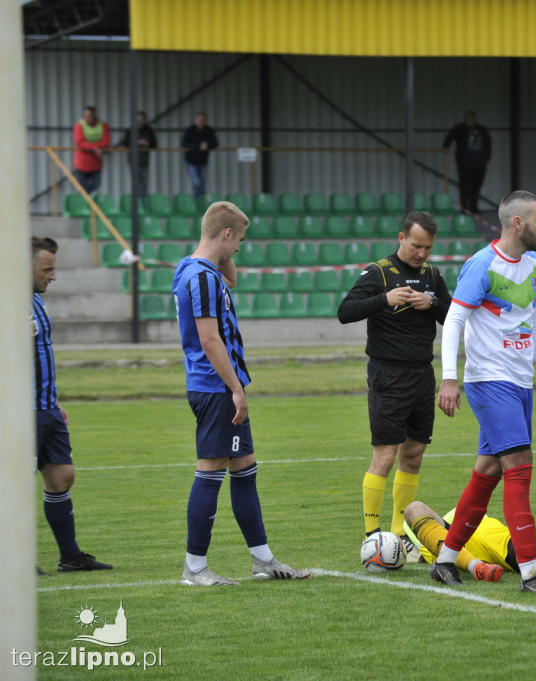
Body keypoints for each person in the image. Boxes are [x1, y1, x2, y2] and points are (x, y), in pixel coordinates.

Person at [434, 190, 536, 595]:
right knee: (520, 466)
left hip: (518, 383)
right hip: (488, 381)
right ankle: (531, 572)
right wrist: (448, 377)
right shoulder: (482, 264)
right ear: (517, 223)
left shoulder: (533, 265)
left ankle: (444, 563)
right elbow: (455, 318)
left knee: (489, 472)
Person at [172, 201, 309, 586]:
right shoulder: (199, 277)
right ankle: (194, 568)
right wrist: (236, 389)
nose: (238, 250)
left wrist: (219, 249)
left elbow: (231, 279)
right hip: (216, 387)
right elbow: (208, 338)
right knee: (210, 472)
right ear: (226, 233)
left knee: (245, 471)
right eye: (238, 241)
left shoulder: (196, 267)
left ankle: (262, 559)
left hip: (217, 386)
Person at [337, 211, 452, 562]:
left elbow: (454, 318)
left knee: (413, 455)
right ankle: (372, 536)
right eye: (416, 245)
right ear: (401, 237)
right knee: (385, 457)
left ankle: (400, 535)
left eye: (428, 248)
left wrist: (432, 303)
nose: (422, 253)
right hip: (388, 374)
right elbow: (345, 311)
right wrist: (384, 300)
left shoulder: (433, 275)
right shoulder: (378, 272)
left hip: (422, 375)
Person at [31, 237, 113, 575]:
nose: (53, 276)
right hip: (22, 412)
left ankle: (70, 556)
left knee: (62, 477)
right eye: (46, 269)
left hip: (46, 407)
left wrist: (54, 400)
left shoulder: (34, 300)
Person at [404, 500, 536, 584]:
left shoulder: (426, 535)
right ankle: (476, 567)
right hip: (459, 544)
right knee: (412, 508)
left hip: (471, 530)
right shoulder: (428, 540)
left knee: (526, 547)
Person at [443, 111, 492, 213]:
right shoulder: (459, 128)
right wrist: (446, 146)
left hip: (479, 162)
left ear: (474, 118)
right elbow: (450, 137)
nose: (469, 120)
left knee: (477, 185)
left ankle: (474, 207)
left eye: (471, 118)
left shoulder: (481, 129)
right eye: (467, 118)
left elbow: (488, 144)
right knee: (464, 185)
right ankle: (464, 207)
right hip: (464, 161)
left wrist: (487, 158)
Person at [118, 111, 158, 199]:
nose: (139, 121)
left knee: (144, 182)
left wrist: (148, 143)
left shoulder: (149, 130)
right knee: (137, 183)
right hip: (133, 160)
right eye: (137, 120)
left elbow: (155, 144)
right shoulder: (130, 131)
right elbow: (126, 144)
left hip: (144, 161)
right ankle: (141, 201)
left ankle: (143, 201)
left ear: (145, 120)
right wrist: (137, 142)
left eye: (141, 120)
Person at [181, 111, 219, 202]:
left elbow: (215, 143)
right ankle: (200, 202)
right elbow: (184, 144)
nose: (201, 121)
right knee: (197, 183)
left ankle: (199, 203)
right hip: (191, 161)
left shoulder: (209, 130)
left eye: (202, 120)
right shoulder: (190, 130)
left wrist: (207, 145)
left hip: (203, 161)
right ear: (195, 120)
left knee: (201, 184)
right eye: (199, 120)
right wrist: (198, 146)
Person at [71, 106, 110, 195]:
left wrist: (93, 146)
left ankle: (86, 201)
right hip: (82, 163)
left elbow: (106, 141)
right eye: (86, 115)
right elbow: (79, 142)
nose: (88, 117)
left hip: (96, 162)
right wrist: (95, 148)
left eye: (90, 115)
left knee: (96, 184)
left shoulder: (102, 125)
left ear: (94, 115)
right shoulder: (79, 125)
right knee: (83, 186)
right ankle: (86, 203)